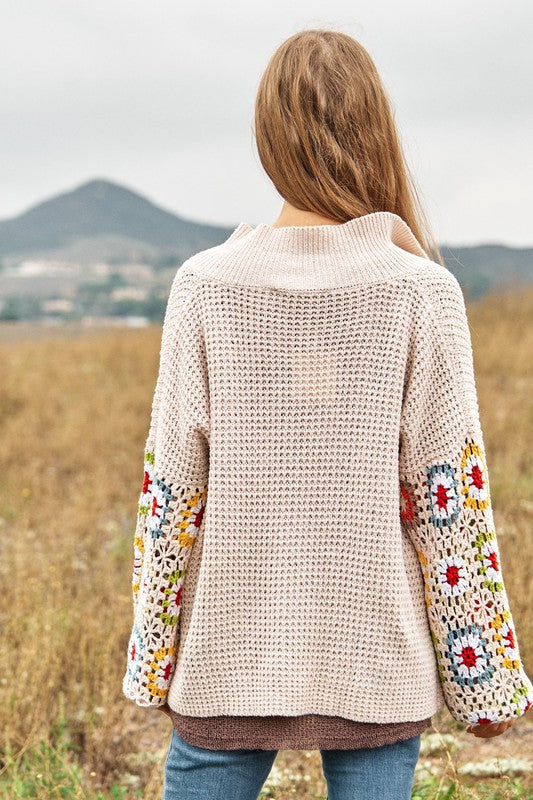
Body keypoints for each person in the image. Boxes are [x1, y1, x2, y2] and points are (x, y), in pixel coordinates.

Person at [121, 28, 532, 800]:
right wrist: (484, 687)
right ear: (376, 128)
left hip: (226, 657)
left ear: (268, 137)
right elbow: (450, 505)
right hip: (375, 656)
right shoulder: (421, 291)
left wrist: (150, 664)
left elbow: (172, 493)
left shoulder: (203, 286)